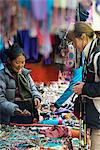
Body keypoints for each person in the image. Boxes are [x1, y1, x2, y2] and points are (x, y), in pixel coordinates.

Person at [71, 22, 100, 150]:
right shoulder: (90, 55)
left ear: (83, 37)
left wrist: (84, 88)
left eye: (73, 42)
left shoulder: (97, 56)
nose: (73, 46)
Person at [0, 43, 42, 124]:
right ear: (9, 61)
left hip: (28, 113)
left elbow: (33, 89)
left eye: (23, 62)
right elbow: (1, 100)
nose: (20, 66)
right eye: (17, 62)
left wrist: (37, 97)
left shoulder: (25, 73)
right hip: (11, 115)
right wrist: (15, 109)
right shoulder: (2, 76)